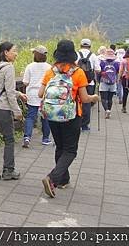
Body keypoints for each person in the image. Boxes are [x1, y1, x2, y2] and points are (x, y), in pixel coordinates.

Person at [39, 40, 99, 198]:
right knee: (70, 150)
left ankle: (63, 180)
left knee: (60, 147)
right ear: (73, 53)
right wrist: (94, 97)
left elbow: (40, 94)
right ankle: (52, 178)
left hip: (52, 115)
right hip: (71, 116)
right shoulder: (78, 72)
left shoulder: (51, 71)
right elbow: (85, 99)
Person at [0, 41, 27, 182]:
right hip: (3, 110)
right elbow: (8, 92)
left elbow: (3, 88)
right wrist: (17, 111)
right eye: (14, 50)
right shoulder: (8, 68)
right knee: (9, 140)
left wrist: (19, 94)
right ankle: (8, 171)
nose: (16, 53)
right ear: (6, 52)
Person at [22, 45, 52, 148]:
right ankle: (46, 138)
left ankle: (27, 137)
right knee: (45, 117)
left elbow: (25, 82)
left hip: (32, 94)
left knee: (30, 116)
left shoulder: (30, 66)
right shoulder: (49, 67)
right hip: (45, 94)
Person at [75, 38, 101, 131]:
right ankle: (85, 125)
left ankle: (76, 122)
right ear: (90, 46)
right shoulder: (93, 55)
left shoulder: (76, 54)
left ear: (80, 45)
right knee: (87, 102)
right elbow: (98, 69)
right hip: (90, 82)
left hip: (77, 82)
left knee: (76, 101)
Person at [99, 48, 120, 119]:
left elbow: (99, 72)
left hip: (103, 81)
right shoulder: (117, 64)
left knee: (103, 98)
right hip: (113, 82)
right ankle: (109, 110)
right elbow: (117, 72)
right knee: (110, 98)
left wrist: (98, 80)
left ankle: (106, 110)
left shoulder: (102, 63)